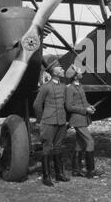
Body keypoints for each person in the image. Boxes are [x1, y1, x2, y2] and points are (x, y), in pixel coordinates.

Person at [33, 56, 70, 186]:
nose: (63, 69)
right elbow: (37, 104)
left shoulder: (64, 87)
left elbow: (67, 104)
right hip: (48, 121)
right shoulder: (45, 87)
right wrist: (41, 120)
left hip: (61, 121)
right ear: (54, 71)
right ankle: (46, 176)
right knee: (47, 148)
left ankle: (59, 174)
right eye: (60, 68)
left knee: (58, 147)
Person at [65, 64, 103, 178]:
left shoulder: (79, 86)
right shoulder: (70, 88)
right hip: (77, 119)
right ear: (75, 76)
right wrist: (84, 110)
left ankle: (76, 170)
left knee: (79, 144)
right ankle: (90, 171)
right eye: (79, 72)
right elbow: (69, 107)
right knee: (90, 141)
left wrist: (90, 106)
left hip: (83, 118)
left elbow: (84, 101)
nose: (81, 73)